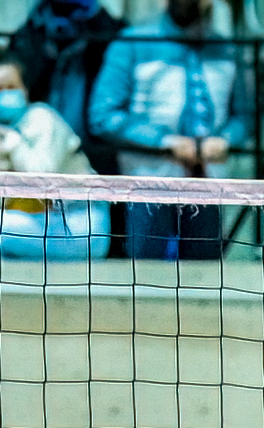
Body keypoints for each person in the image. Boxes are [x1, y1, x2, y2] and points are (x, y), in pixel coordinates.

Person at [87, 0, 253, 260]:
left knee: (205, 274)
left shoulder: (228, 50)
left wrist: (226, 140)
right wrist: (163, 142)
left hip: (209, 183)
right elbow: (103, 115)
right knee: (146, 271)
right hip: (148, 182)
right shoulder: (132, 43)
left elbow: (245, 116)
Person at [0, 57, 111, 260]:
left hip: (78, 224)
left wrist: (11, 142)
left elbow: (42, 178)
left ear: (25, 90)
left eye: (11, 86)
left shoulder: (43, 117)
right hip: (32, 222)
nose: (4, 93)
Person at [9, 0, 125, 172]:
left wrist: (96, 18)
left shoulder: (108, 30)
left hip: (93, 156)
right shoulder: (28, 34)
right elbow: (26, 83)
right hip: (41, 150)